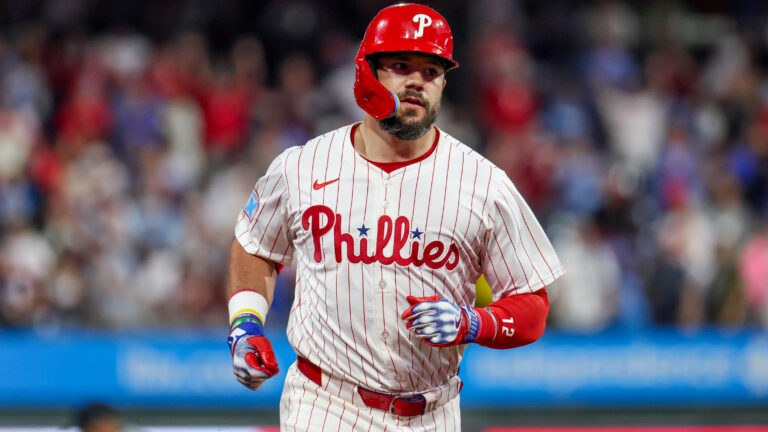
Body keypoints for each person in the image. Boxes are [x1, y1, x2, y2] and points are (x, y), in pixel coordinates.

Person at [225, 4, 564, 431]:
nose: (417, 83)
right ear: (367, 73)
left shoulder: (483, 183)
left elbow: (532, 307)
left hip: (433, 412)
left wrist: (472, 321)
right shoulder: (303, 166)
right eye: (401, 66)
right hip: (326, 402)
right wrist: (246, 324)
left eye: (431, 71)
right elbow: (256, 245)